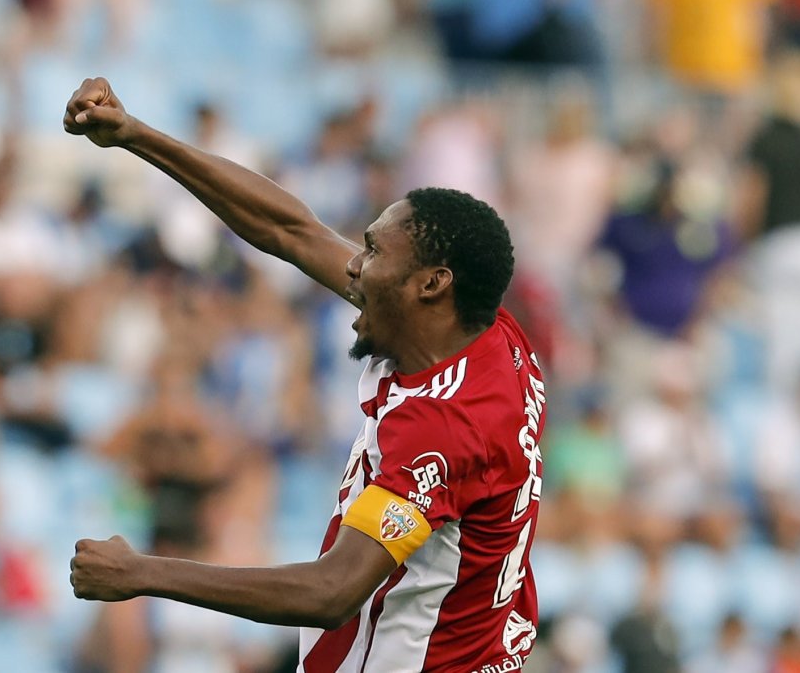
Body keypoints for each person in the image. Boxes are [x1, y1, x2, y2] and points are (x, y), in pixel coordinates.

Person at [63, 77, 547, 672]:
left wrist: (142, 572)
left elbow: (331, 593)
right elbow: (291, 231)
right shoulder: (488, 335)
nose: (353, 265)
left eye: (373, 252)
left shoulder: (445, 426)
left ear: (431, 284)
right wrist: (137, 135)